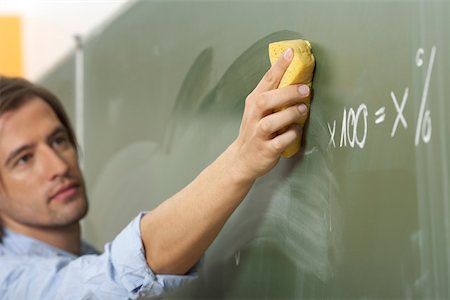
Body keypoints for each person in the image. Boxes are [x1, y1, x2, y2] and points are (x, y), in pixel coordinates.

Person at [0, 48, 310, 299]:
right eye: (24, 159)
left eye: (58, 140)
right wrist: (241, 160)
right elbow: (121, 275)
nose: (58, 166)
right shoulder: (9, 282)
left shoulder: (77, 257)